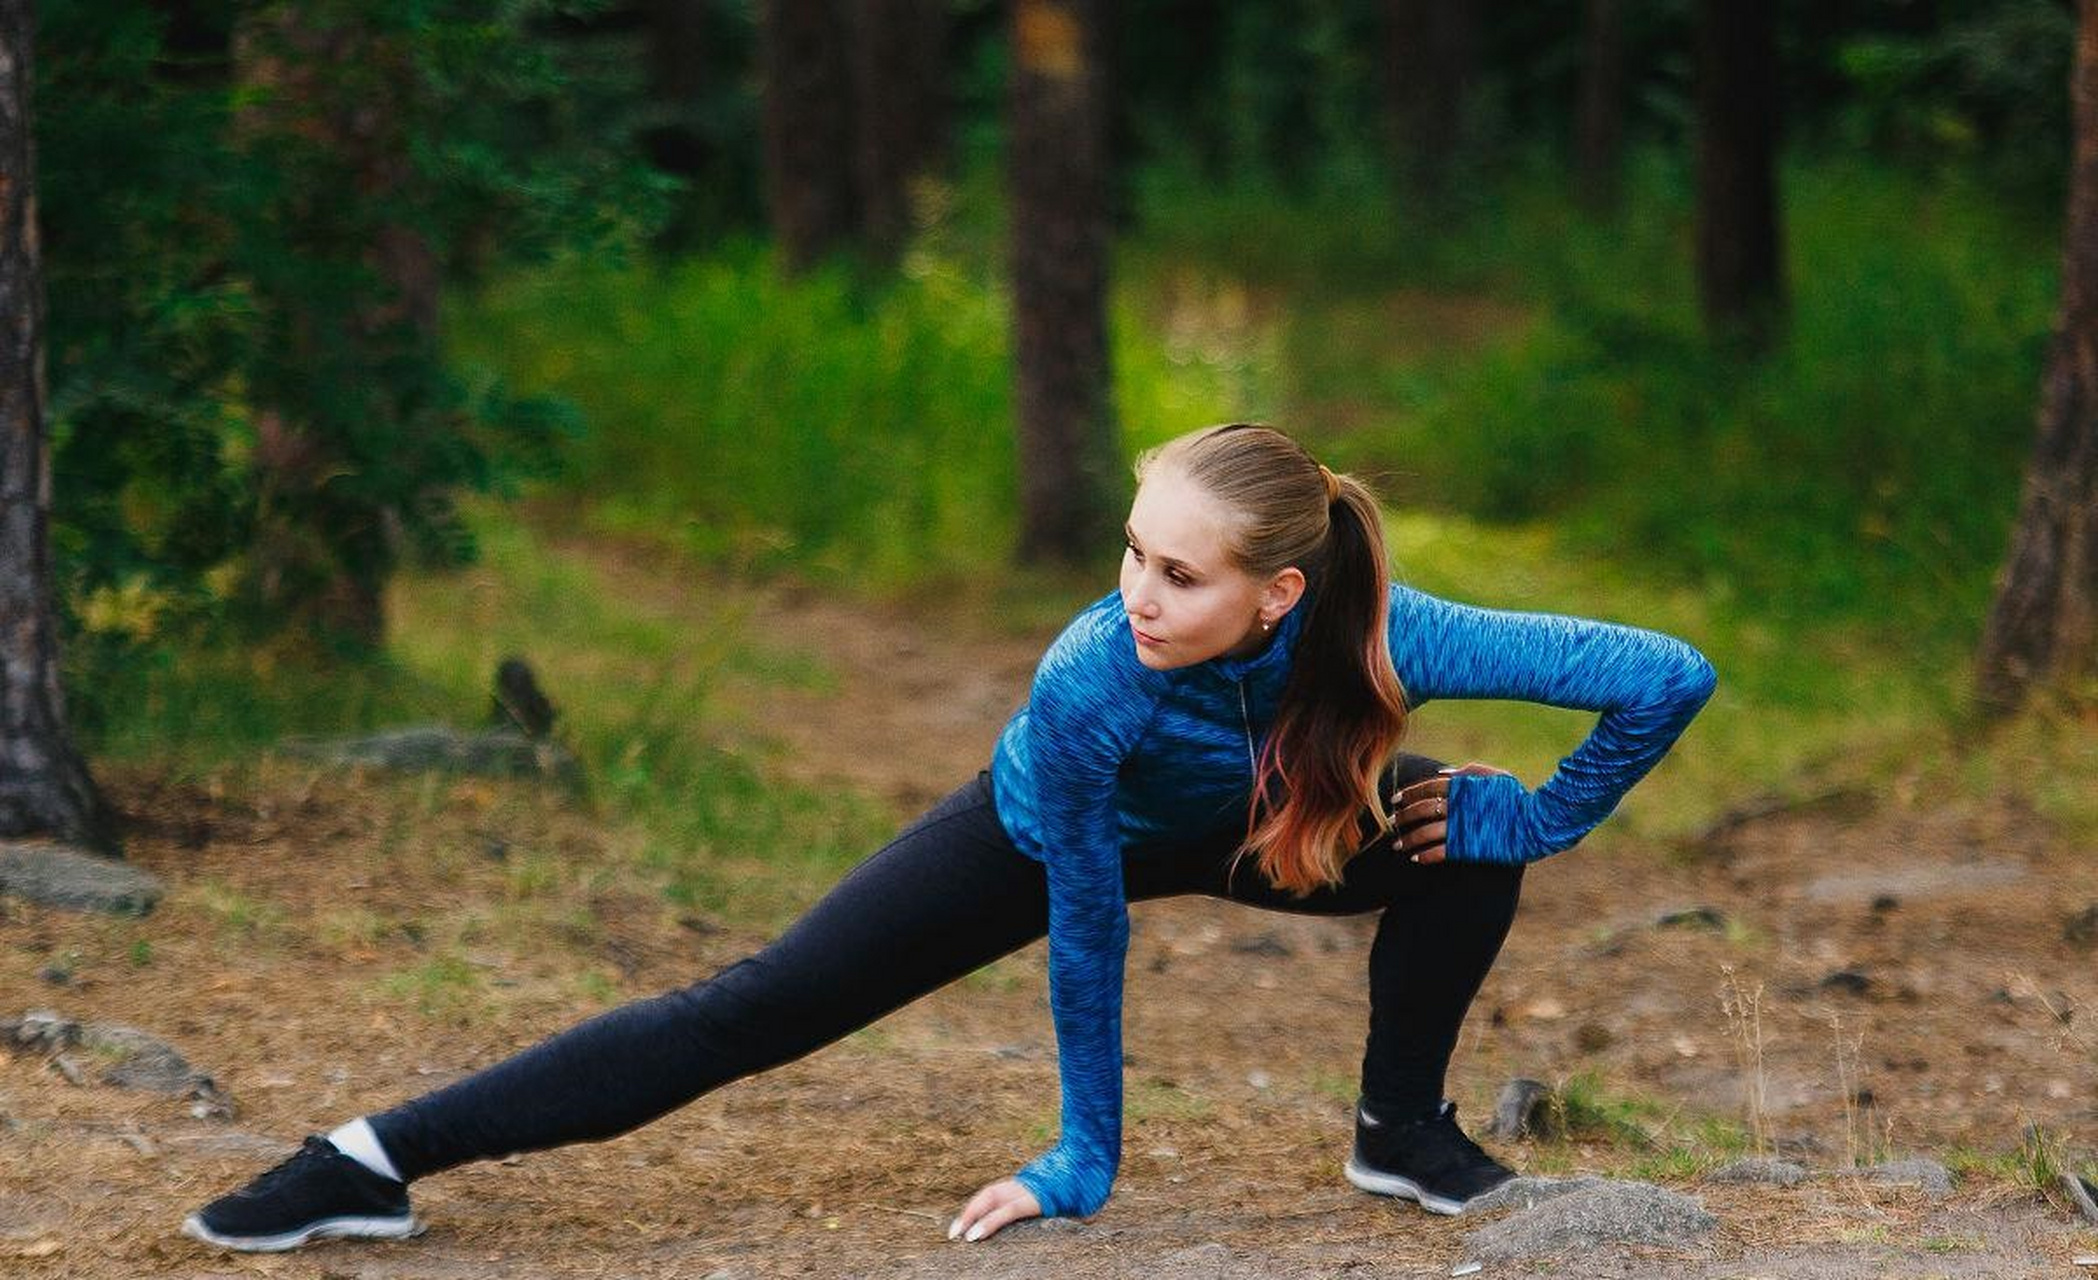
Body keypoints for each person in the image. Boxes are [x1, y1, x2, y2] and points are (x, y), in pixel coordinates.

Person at [182, 423, 1716, 1253]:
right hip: (1051, 830)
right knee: (759, 1005)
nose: (1137, 592)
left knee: (1469, 839)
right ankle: (365, 1157)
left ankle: (1398, 1137)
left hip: (1263, 818)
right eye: (1131, 552)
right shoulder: (1088, 678)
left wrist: (1545, 807)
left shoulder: (1384, 626)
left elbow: (1663, 675)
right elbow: (1089, 931)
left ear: (1278, 594)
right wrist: (1080, 1162)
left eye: (1179, 575)